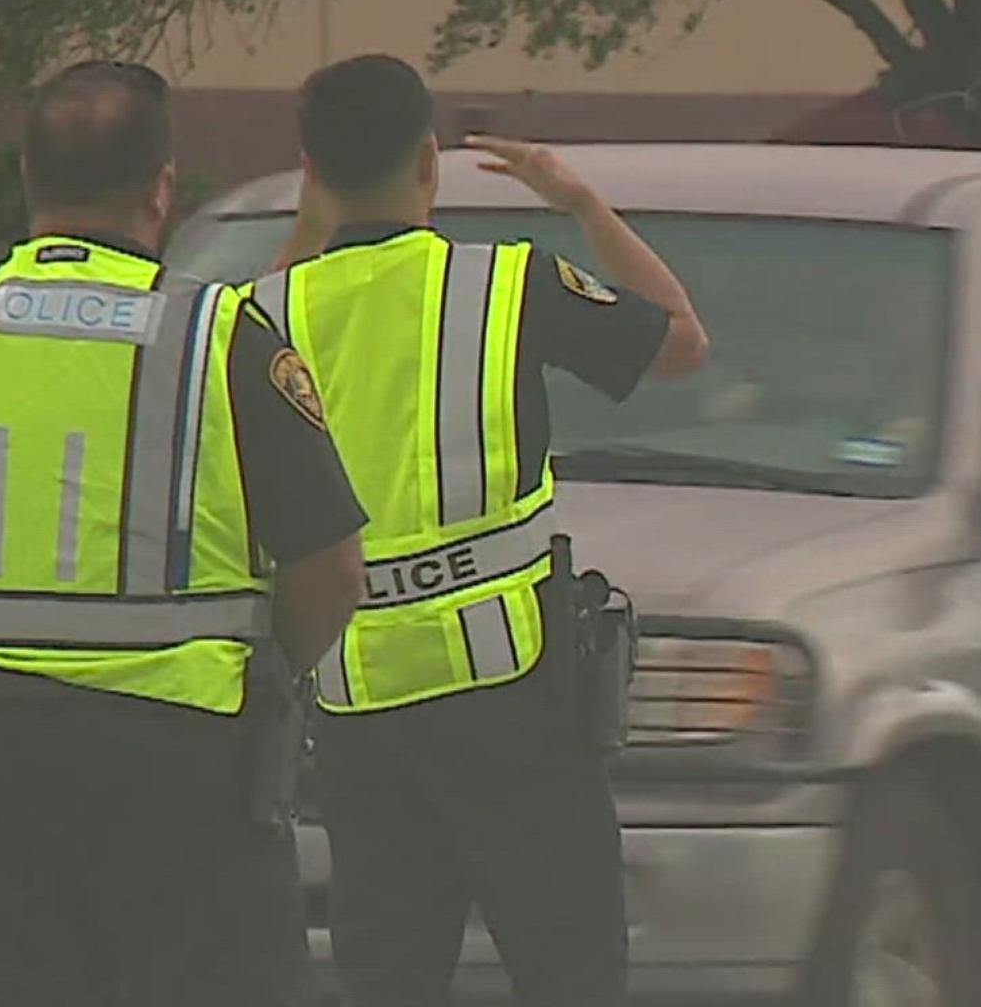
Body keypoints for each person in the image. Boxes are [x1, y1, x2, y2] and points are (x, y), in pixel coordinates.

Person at [0, 59, 367, 1007]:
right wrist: (276, 672)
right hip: (190, 769)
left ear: (29, 182)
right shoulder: (221, 340)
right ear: (162, 187)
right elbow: (331, 568)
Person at [256, 54, 709, 1007]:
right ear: (431, 160)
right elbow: (679, 341)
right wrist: (581, 203)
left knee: (387, 973)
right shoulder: (506, 285)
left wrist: (310, 217)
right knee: (569, 967)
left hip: (355, 705)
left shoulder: (266, 314)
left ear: (311, 168)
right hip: (512, 697)